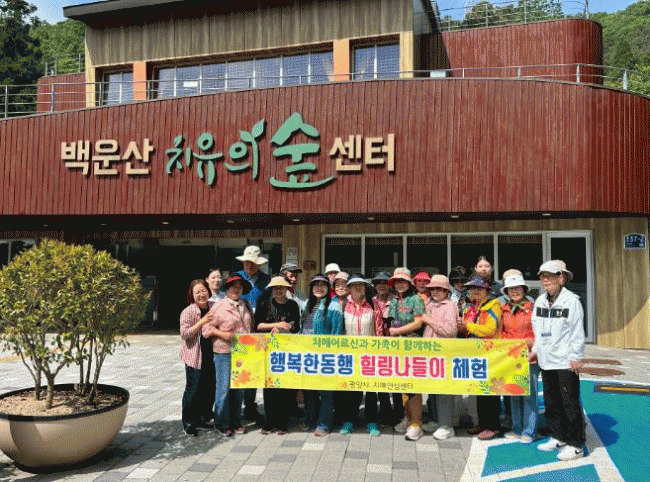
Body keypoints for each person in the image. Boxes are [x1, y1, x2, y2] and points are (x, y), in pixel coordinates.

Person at [530, 260, 586, 461]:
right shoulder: (540, 301)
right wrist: (535, 350)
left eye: (550, 276)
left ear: (561, 278)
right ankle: (558, 436)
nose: (545, 280)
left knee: (569, 403)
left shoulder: (571, 301)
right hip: (547, 360)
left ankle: (576, 444)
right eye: (542, 276)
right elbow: (537, 330)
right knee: (551, 402)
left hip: (565, 360)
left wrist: (576, 356)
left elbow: (577, 330)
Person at [202, 274, 254, 437]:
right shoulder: (219, 306)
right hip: (223, 353)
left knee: (238, 390)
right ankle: (222, 423)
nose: (236, 290)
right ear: (226, 289)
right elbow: (206, 329)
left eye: (239, 287)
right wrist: (222, 334)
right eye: (233, 287)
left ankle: (236, 421)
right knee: (223, 389)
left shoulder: (245, 305)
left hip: (242, 353)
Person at [254, 275, 301, 435]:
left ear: (287, 289)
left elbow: (296, 326)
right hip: (268, 349)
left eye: (281, 287)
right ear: (272, 290)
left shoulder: (293, 305)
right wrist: (275, 325)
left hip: (286, 349)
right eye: (276, 288)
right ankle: (270, 421)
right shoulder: (265, 304)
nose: (279, 290)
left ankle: (282, 422)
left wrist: (284, 328)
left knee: (284, 387)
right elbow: (258, 325)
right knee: (269, 387)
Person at [458, 274, 503, 440]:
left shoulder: (493, 305)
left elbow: (490, 329)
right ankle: (483, 424)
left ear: (487, 289)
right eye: (471, 288)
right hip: (477, 353)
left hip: (491, 353)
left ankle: (493, 427)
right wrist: (463, 327)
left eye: (478, 288)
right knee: (480, 390)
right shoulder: (473, 307)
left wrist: (468, 325)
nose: (474, 291)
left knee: (491, 392)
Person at [300, 274, 345, 436]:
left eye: (323, 285)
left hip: (325, 356)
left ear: (328, 288)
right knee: (309, 391)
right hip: (306, 355)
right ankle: (311, 420)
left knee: (325, 392)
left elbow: (337, 334)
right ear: (311, 288)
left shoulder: (334, 307)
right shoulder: (306, 304)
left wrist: (332, 354)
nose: (319, 288)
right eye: (315, 285)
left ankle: (325, 424)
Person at [499, 272, 538, 444]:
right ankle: (516, 428)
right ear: (506, 292)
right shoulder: (504, 309)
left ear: (524, 289)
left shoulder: (534, 308)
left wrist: (533, 346)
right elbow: (501, 332)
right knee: (514, 393)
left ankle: (529, 431)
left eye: (517, 288)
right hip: (511, 358)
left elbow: (540, 332)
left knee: (529, 395)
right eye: (511, 289)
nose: (514, 291)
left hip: (529, 357)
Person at [387, 267, 426, 441]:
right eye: (397, 282)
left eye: (403, 281)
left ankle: (416, 424)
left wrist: (397, 331)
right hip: (397, 346)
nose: (400, 284)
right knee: (402, 383)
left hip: (413, 344)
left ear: (409, 283)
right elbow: (390, 322)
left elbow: (419, 322)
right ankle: (408, 418)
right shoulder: (394, 301)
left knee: (413, 385)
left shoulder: (416, 299)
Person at [340, 274, 380, 436]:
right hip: (350, 355)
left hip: (370, 354)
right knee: (352, 389)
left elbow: (379, 329)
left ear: (365, 287)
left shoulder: (373, 303)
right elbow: (340, 330)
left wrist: (379, 350)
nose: (357, 287)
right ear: (349, 288)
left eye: (360, 284)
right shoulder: (343, 304)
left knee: (371, 390)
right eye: (354, 284)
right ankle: (349, 421)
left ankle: (372, 422)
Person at [420, 275, 459, 440]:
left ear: (446, 291)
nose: (435, 292)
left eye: (439, 289)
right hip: (430, 353)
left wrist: (429, 320)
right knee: (433, 390)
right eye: (432, 289)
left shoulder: (450, 306)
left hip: (444, 353)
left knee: (443, 391)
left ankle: (447, 426)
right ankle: (437, 421)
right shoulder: (431, 304)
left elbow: (450, 331)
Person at [236, 245, 269, 425]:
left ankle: (250, 406)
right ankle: (234, 408)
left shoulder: (267, 280)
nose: (249, 265)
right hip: (237, 333)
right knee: (237, 371)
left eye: (253, 262)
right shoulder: (236, 278)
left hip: (259, 332)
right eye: (247, 262)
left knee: (253, 371)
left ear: (259, 264)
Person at [179, 279, 215, 436]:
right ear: (192, 295)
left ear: (208, 291)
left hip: (211, 354)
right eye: (197, 292)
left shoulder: (214, 307)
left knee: (207, 389)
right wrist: (202, 322)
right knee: (192, 389)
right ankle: (188, 422)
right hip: (195, 356)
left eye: (203, 291)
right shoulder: (188, 311)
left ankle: (200, 418)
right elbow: (185, 334)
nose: (201, 294)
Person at [372, 271, 403, 426]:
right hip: (376, 345)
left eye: (385, 283)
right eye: (379, 283)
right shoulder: (371, 301)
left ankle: (399, 411)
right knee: (380, 380)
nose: (382, 286)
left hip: (394, 345)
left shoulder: (397, 301)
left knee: (396, 380)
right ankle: (384, 411)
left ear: (390, 285)